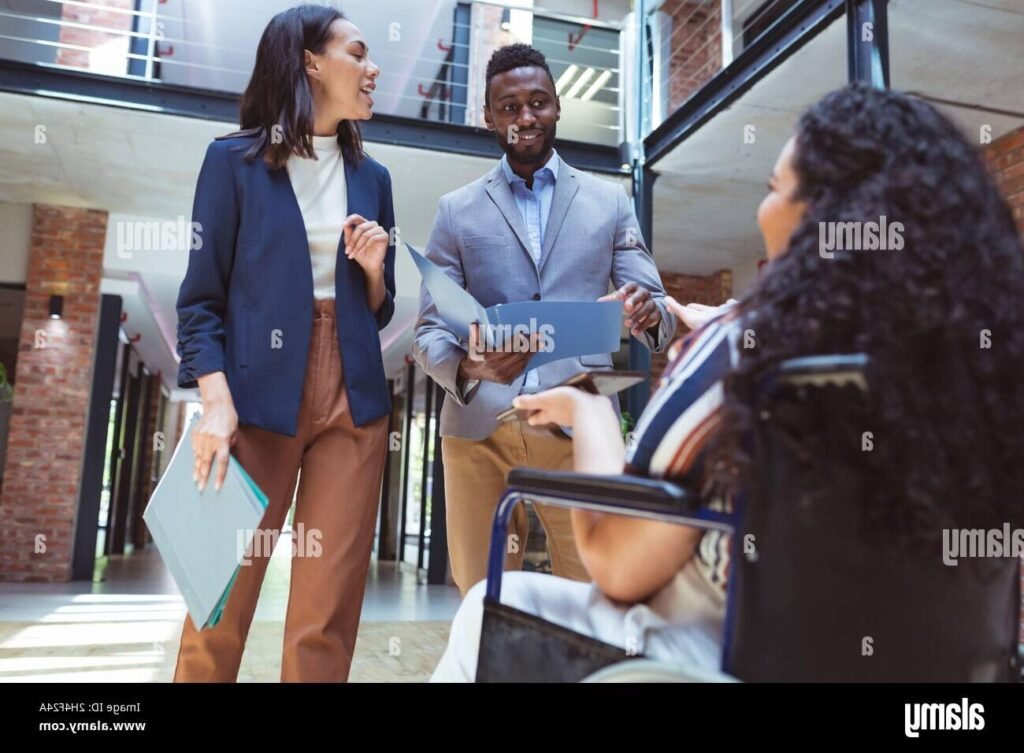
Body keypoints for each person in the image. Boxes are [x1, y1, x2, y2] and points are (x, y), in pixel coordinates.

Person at [430, 83, 1024, 681]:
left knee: (486, 606)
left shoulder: (743, 353)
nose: (761, 211)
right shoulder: (984, 373)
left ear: (822, 215)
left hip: (725, 650)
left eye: (772, 190)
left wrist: (590, 413)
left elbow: (618, 562)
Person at [173, 4, 396, 682]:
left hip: (353, 404)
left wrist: (376, 273)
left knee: (324, 620)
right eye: (357, 53)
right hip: (250, 401)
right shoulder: (232, 163)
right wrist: (214, 402)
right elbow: (199, 303)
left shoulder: (374, 179)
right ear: (309, 62)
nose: (372, 67)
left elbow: (378, 315)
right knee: (216, 601)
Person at [413, 44, 676, 596]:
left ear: (557, 106)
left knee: (592, 588)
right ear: (489, 117)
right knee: (483, 596)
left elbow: (656, 310)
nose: (525, 118)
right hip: (478, 429)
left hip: (576, 421)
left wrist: (647, 313)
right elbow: (429, 332)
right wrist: (469, 367)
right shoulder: (456, 211)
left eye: (538, 103)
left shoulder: (610, 202)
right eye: (509, 107)